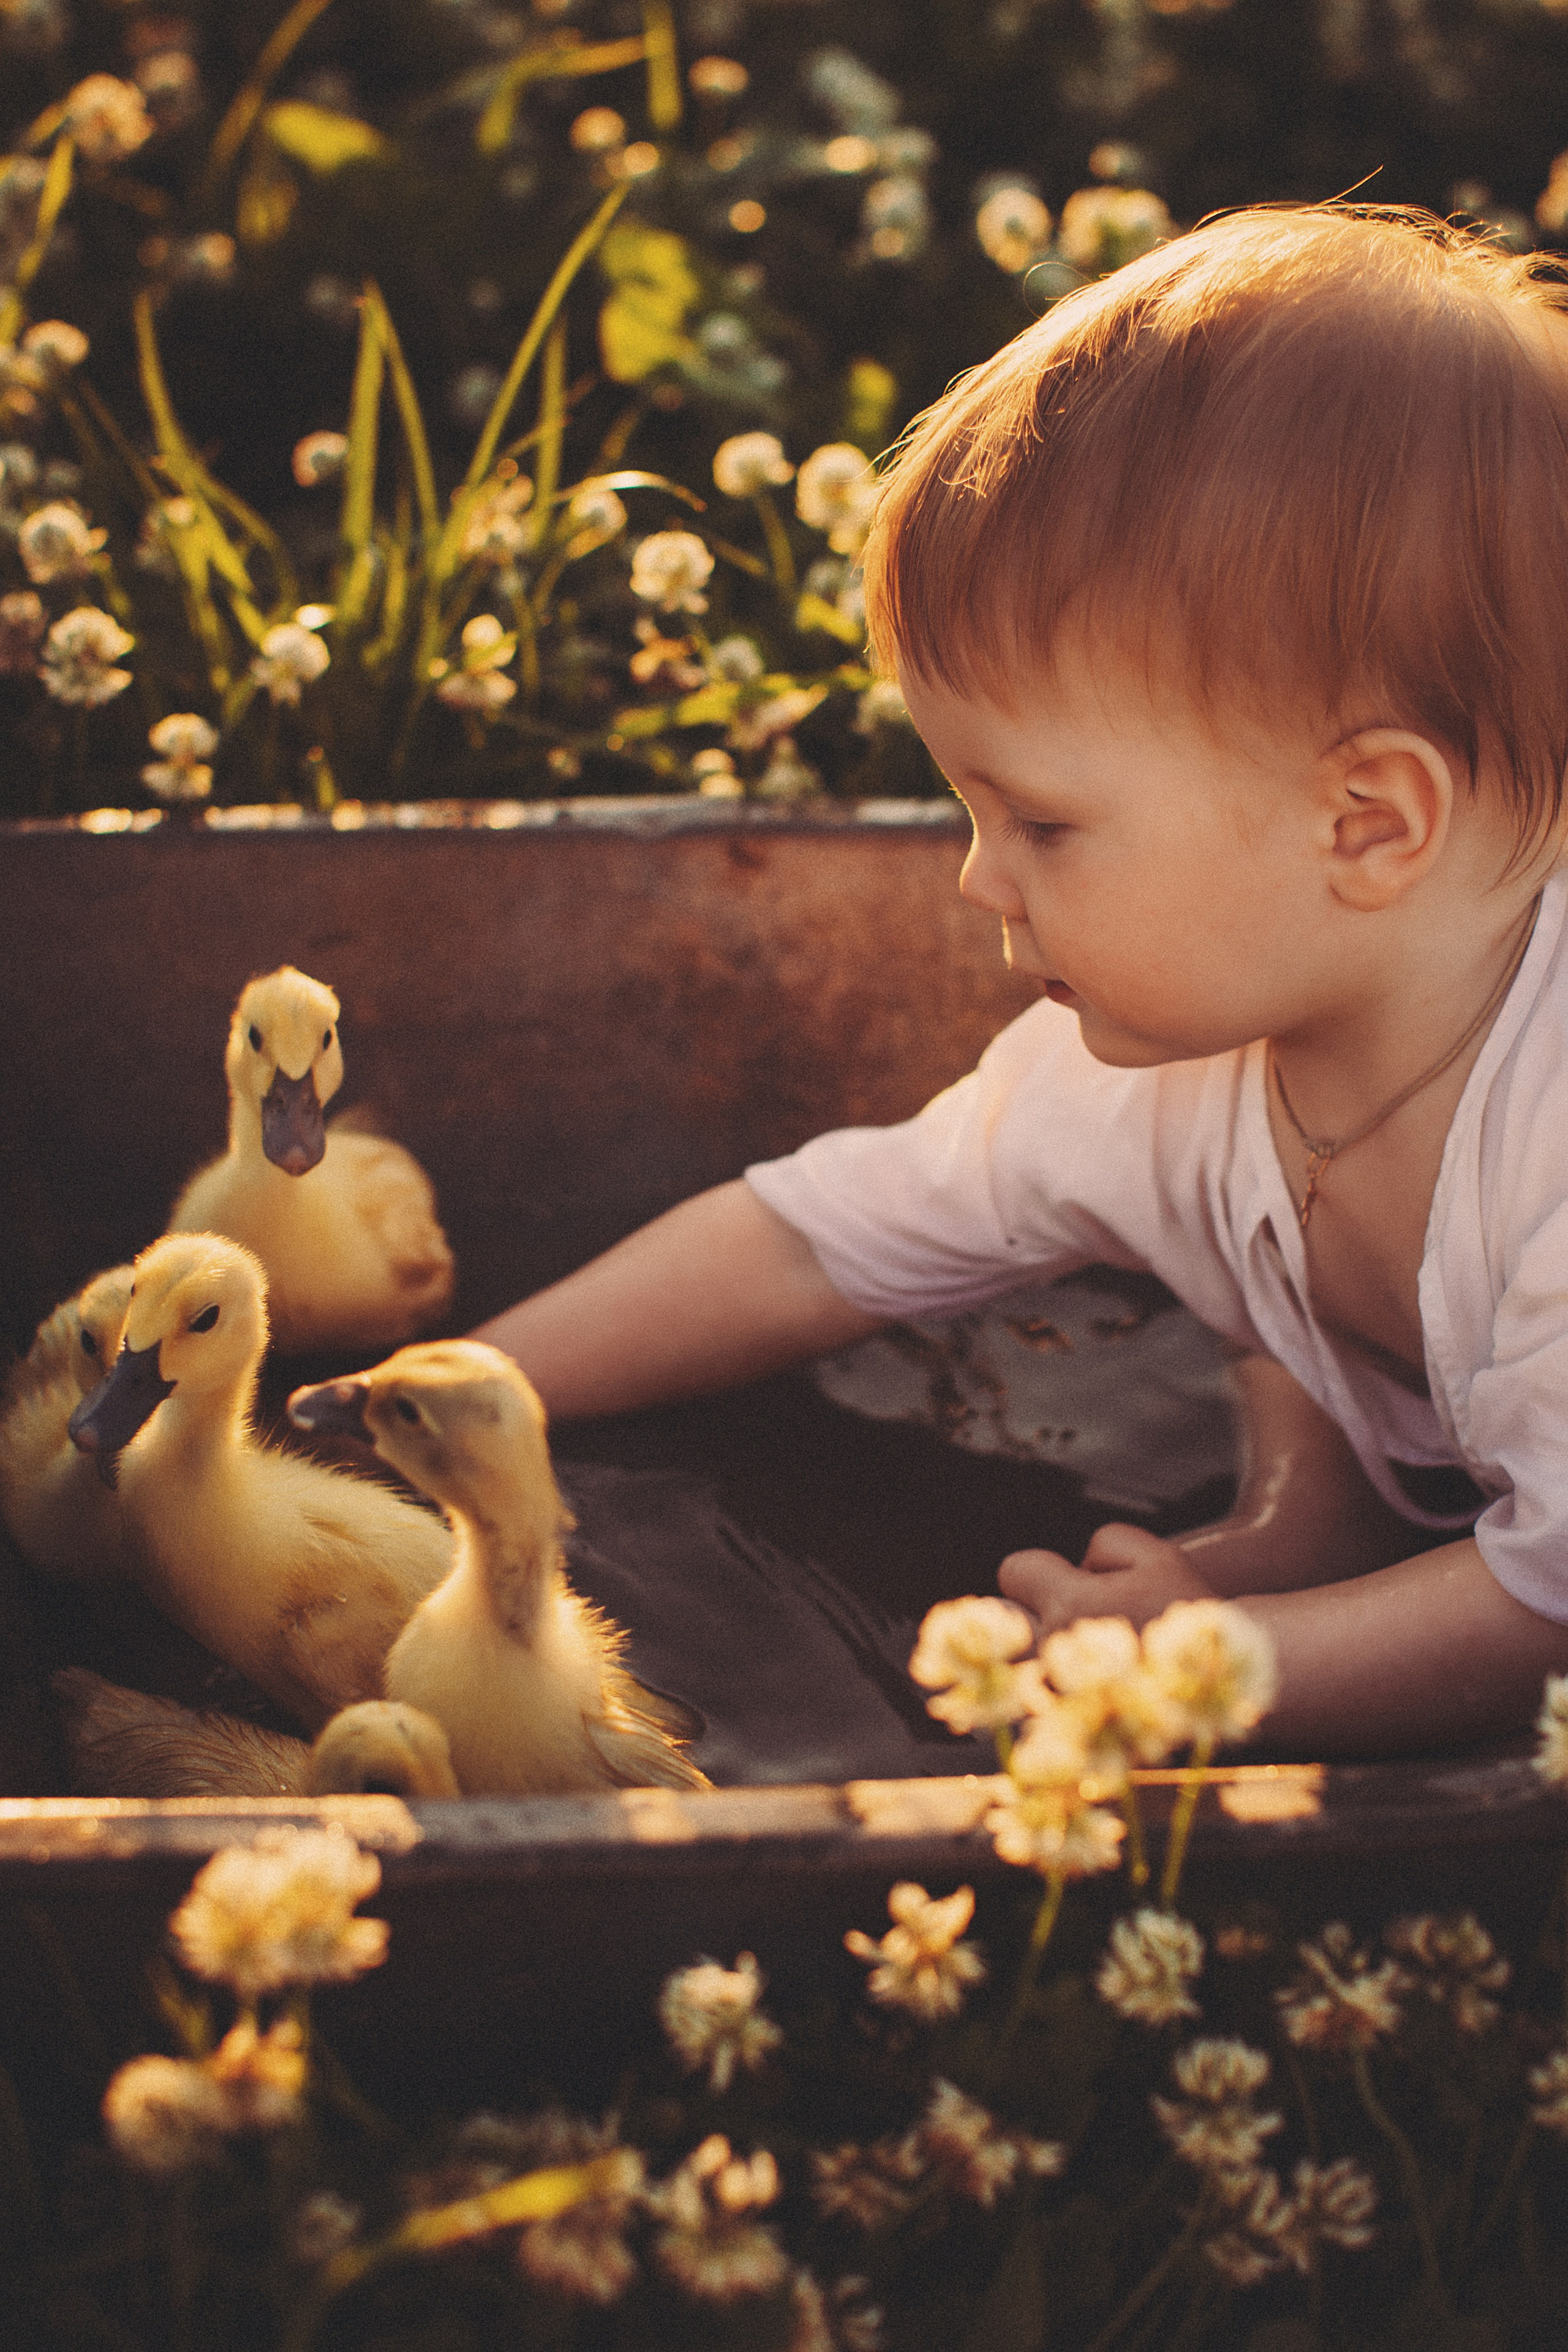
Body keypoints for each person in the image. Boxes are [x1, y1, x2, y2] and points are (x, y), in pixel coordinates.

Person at [479, 205, 1568, 1758]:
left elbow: (1547, 1605)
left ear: (1366, 823)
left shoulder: (1549, 1167)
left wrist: (1204, 1671)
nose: (979, 877)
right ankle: (1306, 1507)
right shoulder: (1165, 1054)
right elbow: (814, 1243)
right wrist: (470, 1380)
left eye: (1041, 822)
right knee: (1228, 1219)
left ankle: (1313, 1539)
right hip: (1429, 1360)